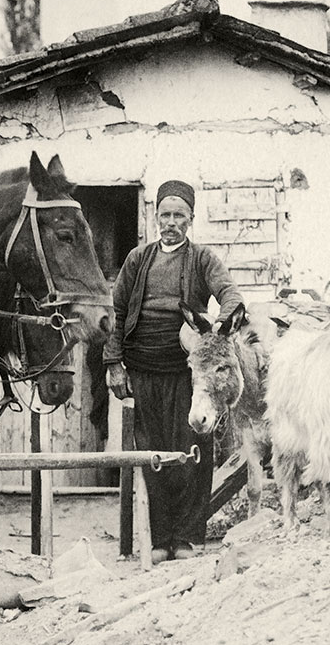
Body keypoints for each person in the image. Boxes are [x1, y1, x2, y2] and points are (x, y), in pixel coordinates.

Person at [104, 179, 246, 561]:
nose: (170, 222)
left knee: (191, 453)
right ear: (155, 217)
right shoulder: (138, 259)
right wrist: (114, 363)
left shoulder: (202, 259)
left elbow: (231, 295)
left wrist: (221, 328)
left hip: (188, 375)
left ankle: (187, 538)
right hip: (142, 371)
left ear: (191, 219)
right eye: (165, 215)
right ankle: (159, 540)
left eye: (178, 215)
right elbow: (117, 312)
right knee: (152, 456)